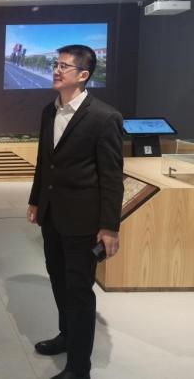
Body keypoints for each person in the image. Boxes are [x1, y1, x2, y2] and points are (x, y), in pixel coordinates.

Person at [27, 45, 123, 379]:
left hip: (83, 221)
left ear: (83, 75)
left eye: (64, 66)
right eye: (56, 64)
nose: (56, 70)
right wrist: (36, 200)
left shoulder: (104, 117)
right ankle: (66, 335)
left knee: (79, 290)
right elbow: (45, 162)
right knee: (58, 279)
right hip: (52, 214)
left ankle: (79, 367)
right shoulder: (48, 111)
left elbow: (112, 177)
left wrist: (109, 227)